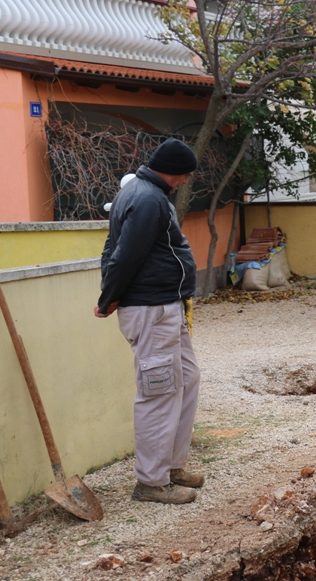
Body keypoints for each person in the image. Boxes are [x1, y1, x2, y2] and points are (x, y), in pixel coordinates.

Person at [94, 139, 204, 504]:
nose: (185, 181)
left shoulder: (141, 193)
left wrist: (110, 292)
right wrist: (109, 297)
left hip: (164, 306)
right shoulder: (147, 199)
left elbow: (112, 248)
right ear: (175, 171)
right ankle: (151, 482)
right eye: (185, 175)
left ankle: (171, 466)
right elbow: (125, 255)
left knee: (186, 379)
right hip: (152, 309)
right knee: (159, 391)